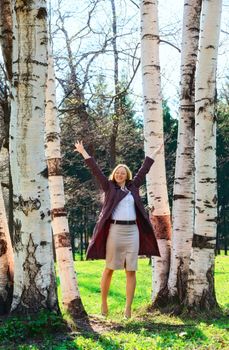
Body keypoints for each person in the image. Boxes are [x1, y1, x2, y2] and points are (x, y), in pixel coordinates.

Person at [74, 141, 162, 318]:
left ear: (126, 175)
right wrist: (84, 152)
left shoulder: (133, 187)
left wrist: (154, 153)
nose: (120, 175)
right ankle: (104, 305)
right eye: (118, 173)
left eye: (123, 173)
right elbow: (95, 171)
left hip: (132, 232)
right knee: (109, 268)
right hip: (115, 232)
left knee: (131, 270)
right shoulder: (108, 187)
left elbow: (144, 170)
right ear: (114, 175)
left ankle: (128, 309)